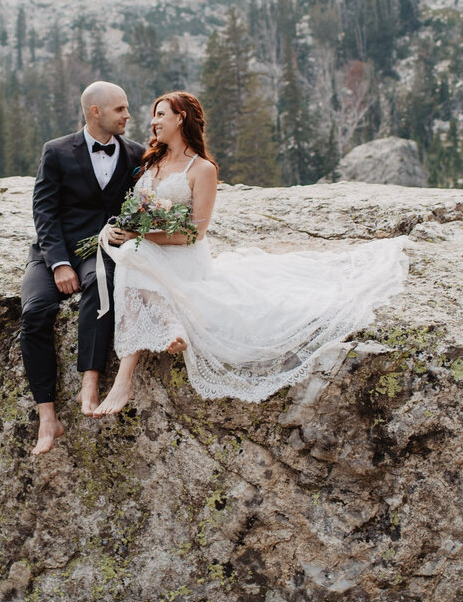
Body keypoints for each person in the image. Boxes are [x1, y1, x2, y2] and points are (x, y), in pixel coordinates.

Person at [95, 92, 408, 413]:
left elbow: (196, 232)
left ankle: (125, 378)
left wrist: (142, 233)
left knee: (135, 253)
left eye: (161, 115)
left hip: (185, 256)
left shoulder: (202, 169)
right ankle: (160, 334)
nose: (153, 121)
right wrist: (130, 227)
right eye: (155, 115)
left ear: (181, 119)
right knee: (133, 253)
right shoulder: (151, 162)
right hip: (150, 248)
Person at [20, 81, 145, 454]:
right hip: (52, 251)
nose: (127, 115)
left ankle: (89, 380)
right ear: (96, 112)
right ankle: (47, 416)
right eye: (120, 109)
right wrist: (58, 263)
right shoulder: (56, 151)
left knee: (102, 283)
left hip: (101, 250)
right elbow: (44, 211)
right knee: (34, 313)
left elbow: (143, 203)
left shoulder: (136, 154)